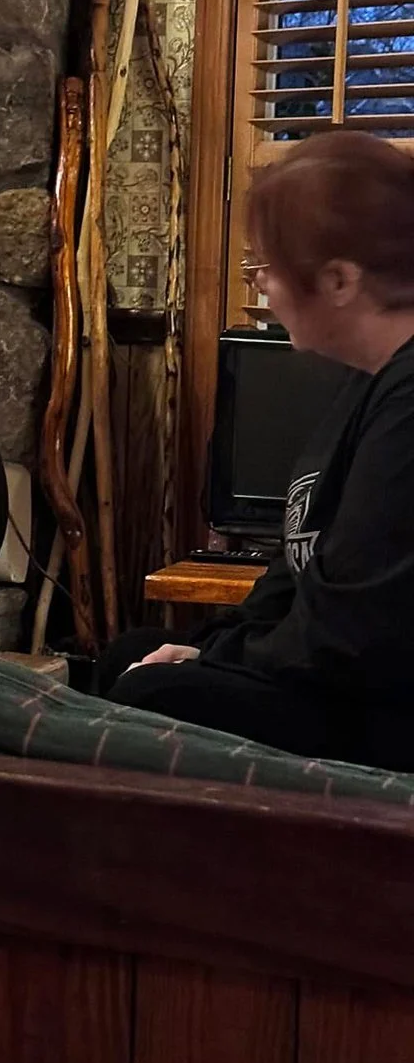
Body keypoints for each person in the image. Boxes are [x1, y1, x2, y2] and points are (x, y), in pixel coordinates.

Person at [101, 128, 414, 770]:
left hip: (387, 707)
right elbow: (296, 566)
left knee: (150, 694)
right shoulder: (367, 377)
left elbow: (353, 632)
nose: (263, 286)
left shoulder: (408, 404)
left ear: (339, 279)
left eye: (268, 268)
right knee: (131, 654)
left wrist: (217, 661)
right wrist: (212, 646)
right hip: (340, 675)